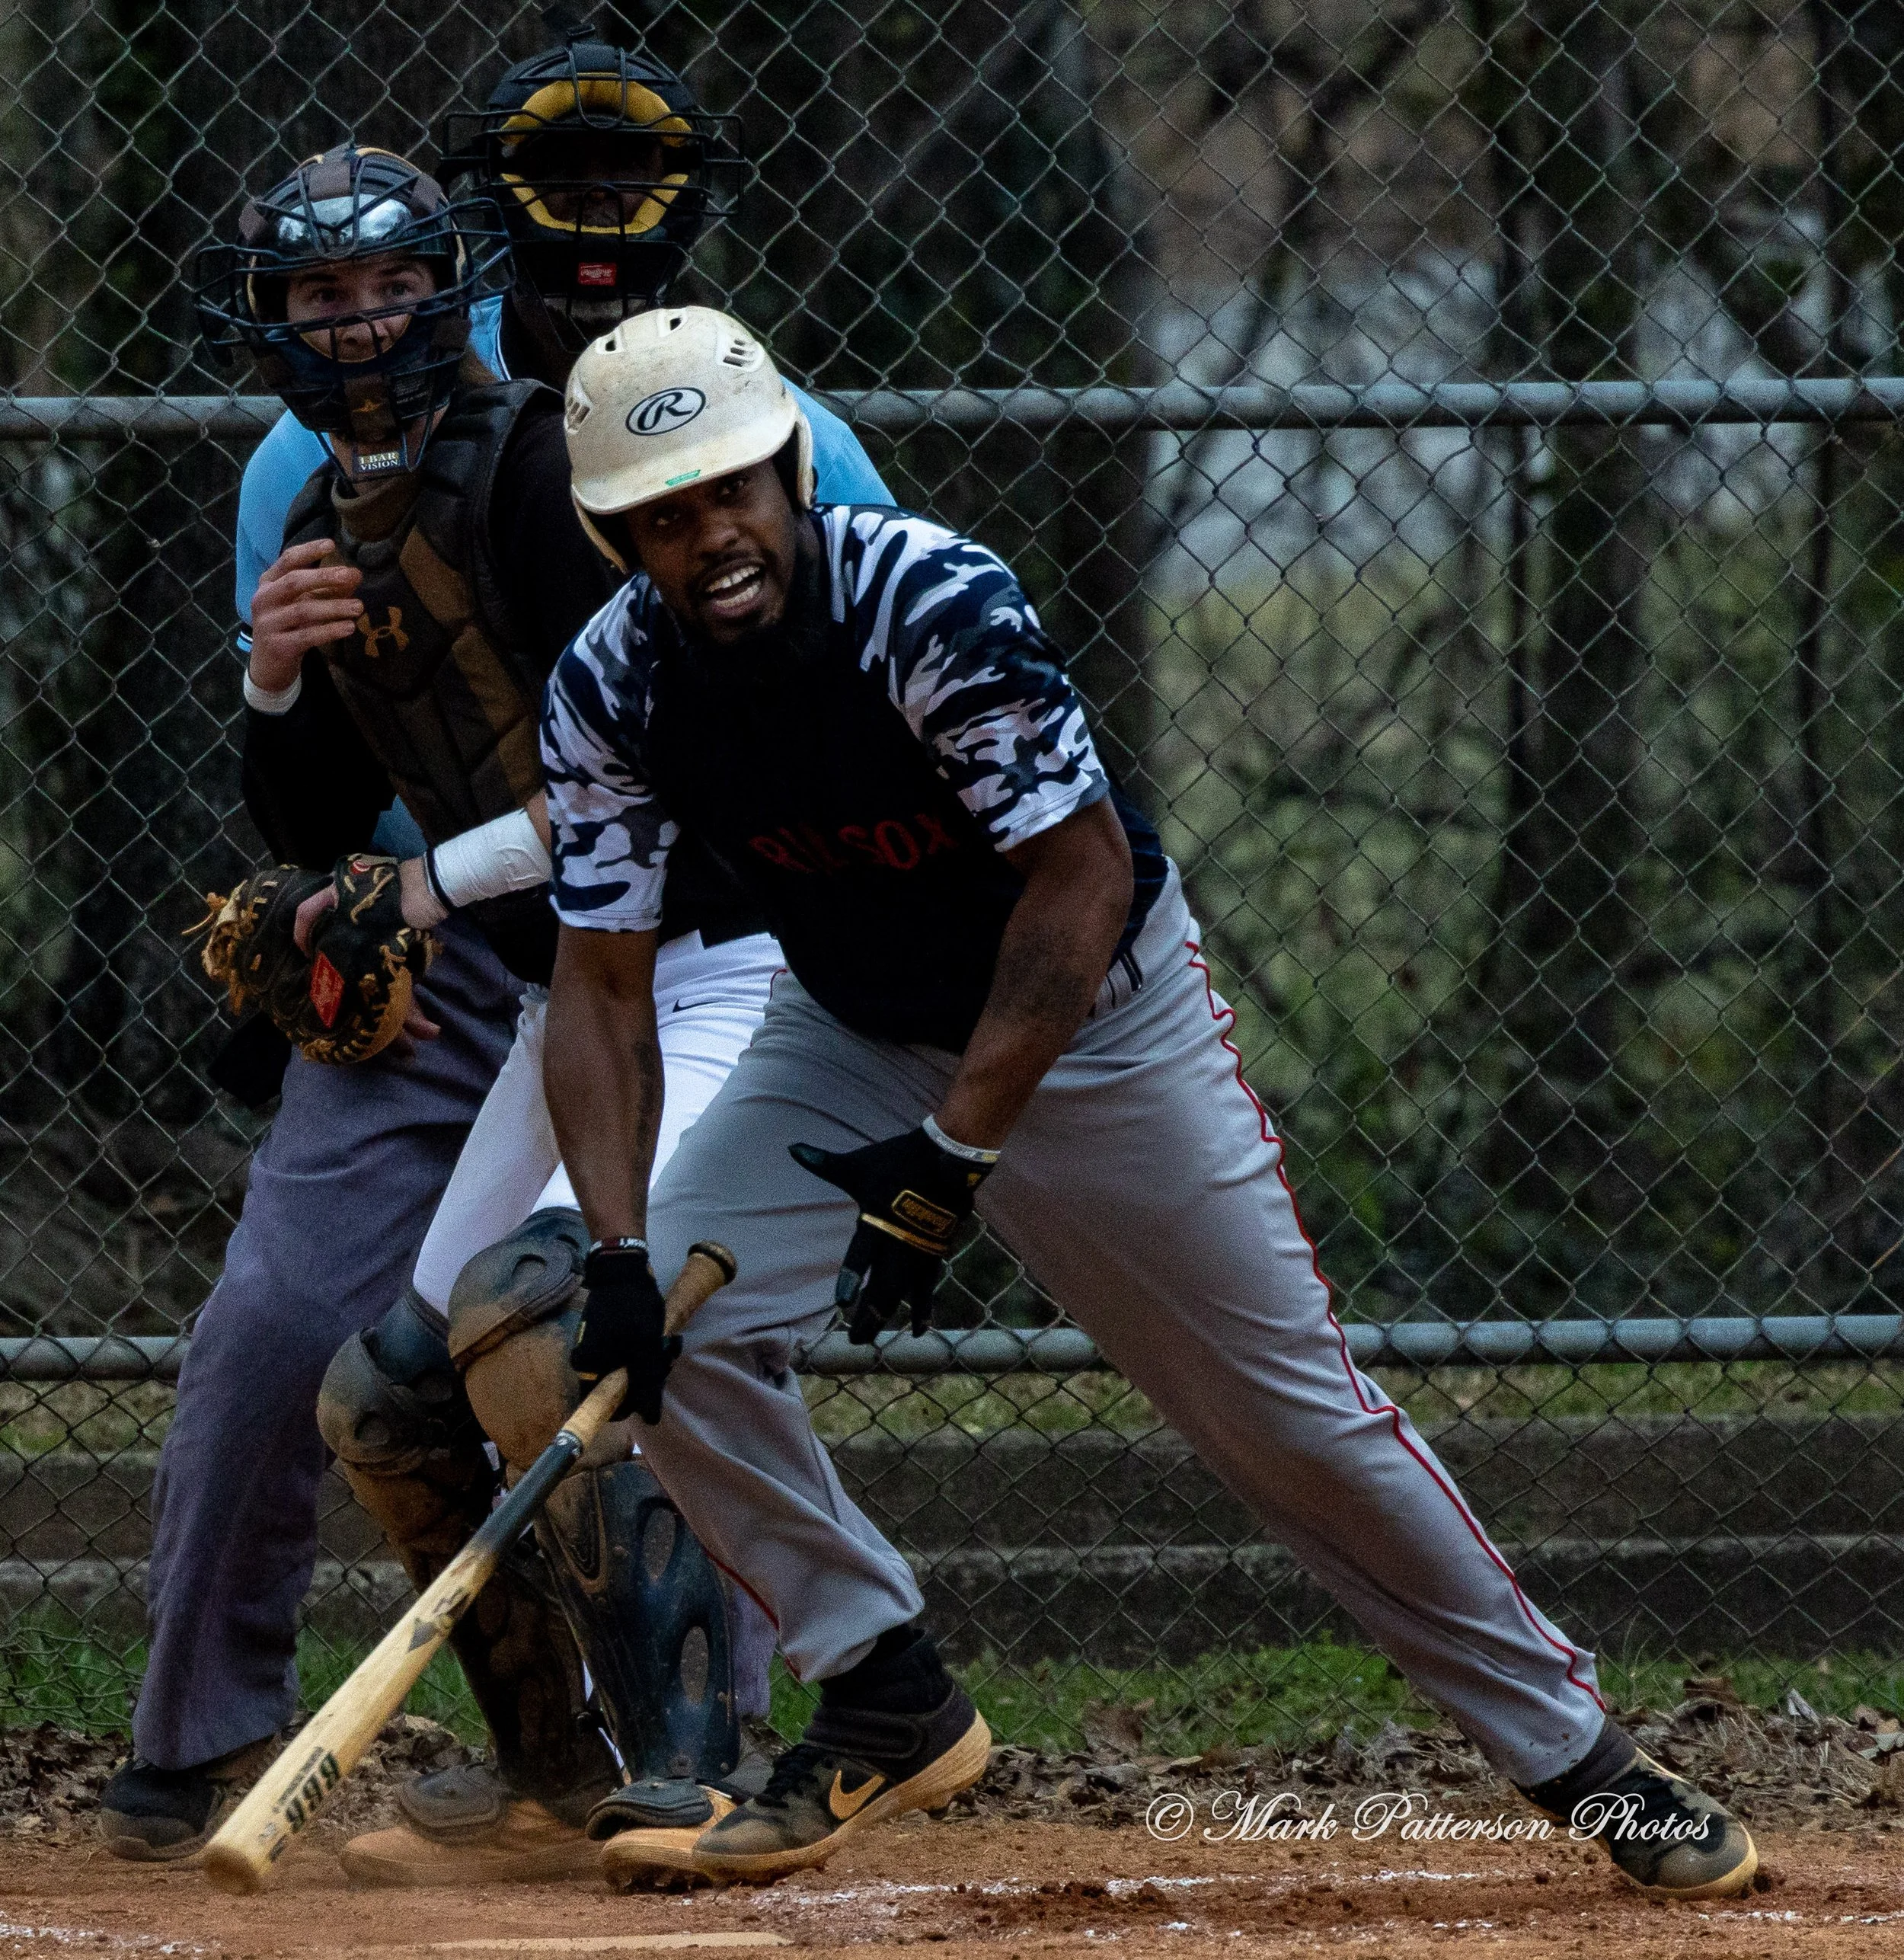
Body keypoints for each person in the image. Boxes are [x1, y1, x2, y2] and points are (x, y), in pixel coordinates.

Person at [534, 305, 1762, 1899]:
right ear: (614, 534)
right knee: (667, 1338)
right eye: (660, 516)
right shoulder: (610, 686)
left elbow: (1080, 876)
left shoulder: (927, 599)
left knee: (1280, 1419)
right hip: (848, 1032)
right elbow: (600, 987)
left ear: (784, 470)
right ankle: (884, 1688)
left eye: (726, 494)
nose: (707, 540)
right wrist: (623, 1255)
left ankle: (1583, 1760)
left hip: (1098, 1027)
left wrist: (956, 1153)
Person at [99, 27, 892, 1875]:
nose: (359, 322)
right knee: (381, 1382)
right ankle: (556, 1765)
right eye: (318, 289)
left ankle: (700, 1756)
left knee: (553, 1315)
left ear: (455, 278)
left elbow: (648, 777)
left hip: (707, 949)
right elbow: (319, 797)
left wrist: (418, 886)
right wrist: (276, 676)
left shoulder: (557, 474)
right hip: (543, 971)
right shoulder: (305, 493)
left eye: (392, 282)